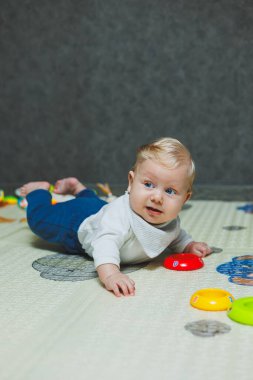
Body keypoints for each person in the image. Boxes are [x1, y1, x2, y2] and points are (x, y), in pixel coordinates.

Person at [20, 137, 212, 297]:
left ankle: (79, 189)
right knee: (40, 220)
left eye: (170, 191)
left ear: (184, 199)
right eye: (148, 184)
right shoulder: (118, 219)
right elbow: (105, 243)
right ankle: (38, 192)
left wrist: (188, 245)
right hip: (77, 224)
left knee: (96, 205)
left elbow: (173, 234)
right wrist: (111, 274)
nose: (157, 197)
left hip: (99, 209)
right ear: (131, 182)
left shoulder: (167, 217)